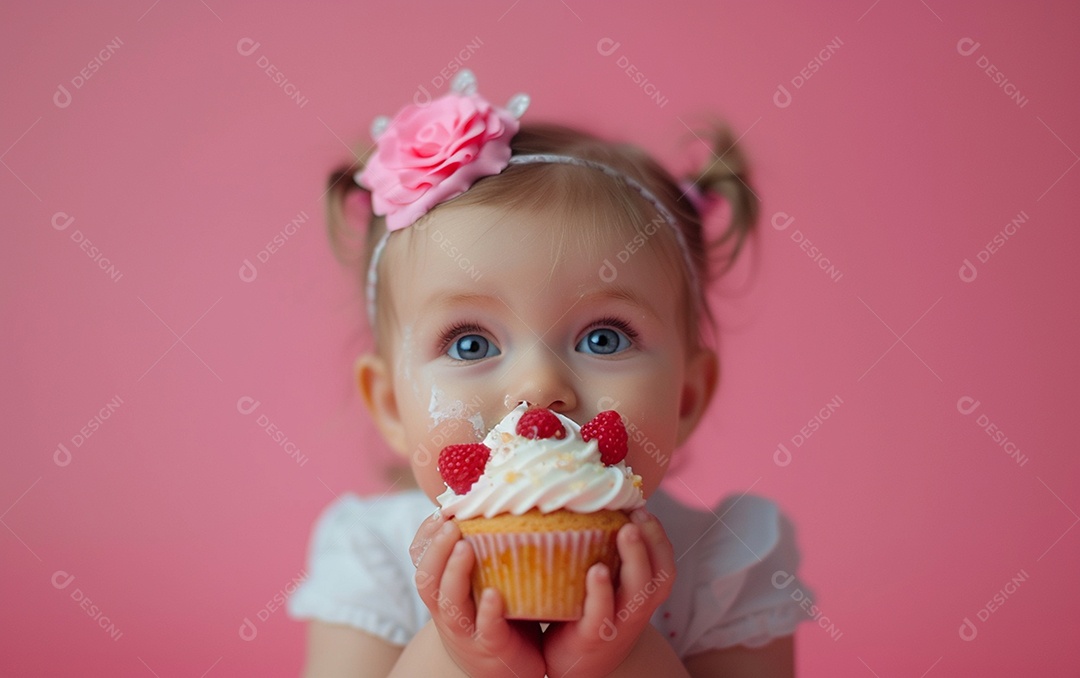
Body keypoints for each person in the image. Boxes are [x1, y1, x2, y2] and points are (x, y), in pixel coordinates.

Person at [288, 70, 812, 677]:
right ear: (387, 405)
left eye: (603, 338)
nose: (538, 388)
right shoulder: (370, 560)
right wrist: (464, 659)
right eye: (469, 343)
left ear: (688, 397)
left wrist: (617, 658)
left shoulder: (728, 565)